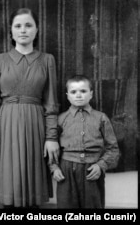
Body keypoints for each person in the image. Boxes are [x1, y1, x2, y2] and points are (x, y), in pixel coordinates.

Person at [0, 8, 59, 208]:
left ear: (36, 30)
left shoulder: (47, 60)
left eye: (28, 25)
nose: (23, 30)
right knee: (10, 182)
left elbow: (51, 102)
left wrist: (51, 137)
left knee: (33, 184)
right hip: (6, 124)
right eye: (18, 26)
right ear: (11, 31)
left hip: (36, 124)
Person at [51, 75, 120, 208]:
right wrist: (54, 168)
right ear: (67, 96)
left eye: (83, 91)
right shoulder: (60, 119)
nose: (78, 95)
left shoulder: (101, 118)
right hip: (66, 171)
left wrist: (101, 165)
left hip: (92, 169)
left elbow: (113, 148)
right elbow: (52, 147)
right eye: (73, 92)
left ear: (91, 94)